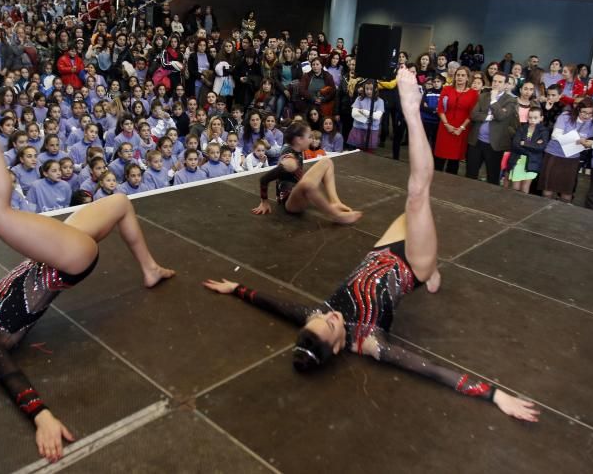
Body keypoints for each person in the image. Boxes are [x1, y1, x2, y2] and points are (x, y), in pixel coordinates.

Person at [204, 67, 539, 423]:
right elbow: (428, 369)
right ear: (337, 346)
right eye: (332, 324)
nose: (329, 315)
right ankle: (411, 113)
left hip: (382, 250)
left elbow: (273, 304)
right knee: (417, 193)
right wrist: (494, 395)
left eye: (321, 317)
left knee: (411, 211)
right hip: (411, 266)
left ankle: (433, 267)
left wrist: (235, 287)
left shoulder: (315, 320)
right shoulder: (369, 343)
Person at [0, 69, 174, 464]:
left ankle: (149, 268)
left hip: (50, 252)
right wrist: (42, 417)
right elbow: (12, 380)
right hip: (65, 263)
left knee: (121, 203)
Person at [252, 121, 361, 224]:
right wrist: (264, 201)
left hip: (298, 188)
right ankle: (336, 215)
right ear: (299, 140)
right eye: (309, 137)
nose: (311, 140)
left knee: (326, 162)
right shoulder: (289, 158)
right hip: (290, 202)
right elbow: (264, 179)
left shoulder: (296, 149)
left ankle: (335, 201)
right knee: (307, 184)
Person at [466, 72, 516, 185]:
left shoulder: (510, 100)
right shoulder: (483, 96)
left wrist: (493, 100)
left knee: (492, 177)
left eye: (500, 82)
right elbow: (473, 115)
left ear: (505, 85)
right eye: (494, 81)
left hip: (494, 145)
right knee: (470, 174)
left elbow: (500, 116)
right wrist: (489, 117)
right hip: (476, 141)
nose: (496, 84)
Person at [433, 67, 478, 174]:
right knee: (439, 158)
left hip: (460, 130)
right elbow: (440, 109)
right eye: (458, 75)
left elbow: (472, 114)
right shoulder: (446, 89)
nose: (460, 77)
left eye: (463, 75)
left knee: (454, 162)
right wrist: (446, 124)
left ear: (468, 78)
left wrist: (461, 128)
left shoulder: (473, 94)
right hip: (445, 127)